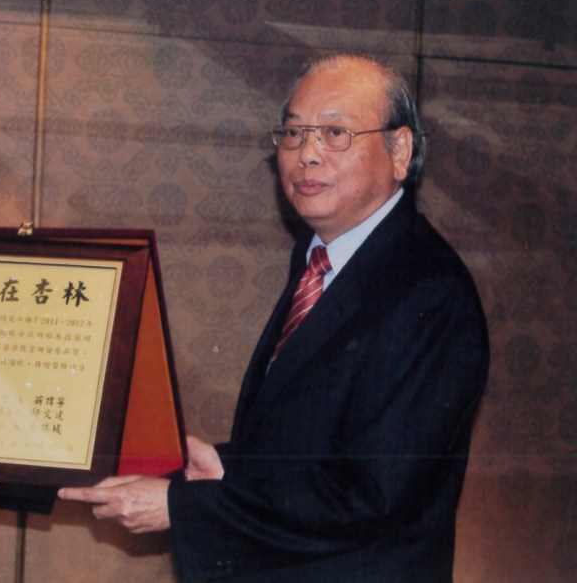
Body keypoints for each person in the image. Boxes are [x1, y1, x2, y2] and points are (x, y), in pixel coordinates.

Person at [59, 54, 489, 582]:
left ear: (399, 150)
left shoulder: (429, 289)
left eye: (335, 133)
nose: (307, 154)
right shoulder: (318, 257)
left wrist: (183, 508)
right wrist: (229, 469)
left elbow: (372, 493)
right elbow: (314, 442)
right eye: (293, 133)